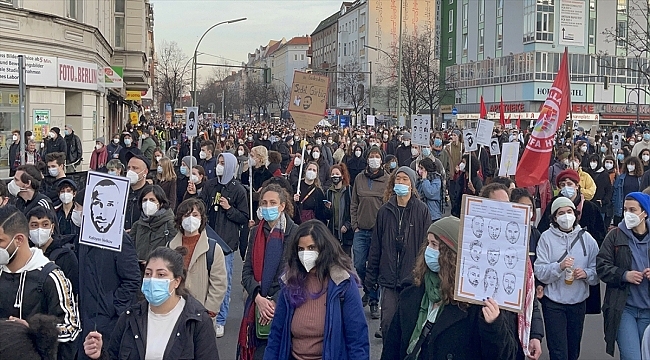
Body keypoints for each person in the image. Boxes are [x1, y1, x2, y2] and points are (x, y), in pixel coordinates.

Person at [381, 216, 519, 360]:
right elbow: (392, 348)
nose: (429, 250)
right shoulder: (412, 291)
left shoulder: (475, 304)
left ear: (451, 254)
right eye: (428, 243)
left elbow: (505, 355)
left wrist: (493, 326)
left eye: (435, 244)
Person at [82, 247, 220, 360]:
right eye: (148, 274)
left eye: (161, 275)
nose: (152, 279)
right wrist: (99, 355)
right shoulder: (130, 318)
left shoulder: (197, 321)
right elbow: (113, 356)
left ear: (176, 281)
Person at [263, 220, 369, 359]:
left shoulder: (343, 284)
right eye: (301, 249)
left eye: (311, 248)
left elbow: (357, 339)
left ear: (324, 248)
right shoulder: (290, 283)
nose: (305, 254)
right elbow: (276, 335)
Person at [0, 206, 80, 360]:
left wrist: (32, 331)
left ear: (19, 240)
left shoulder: (51, 277)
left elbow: (72, 328)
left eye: (0, 241)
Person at [72, 191, 142, 360]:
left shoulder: (118, 238)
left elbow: (132, 279)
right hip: (86, 317)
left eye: (77, 207)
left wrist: (113, 305)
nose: (75, 211)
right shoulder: (83, 237)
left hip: (108, 322)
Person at [367, 166, 432, 339]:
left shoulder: (422, 211)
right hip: (388, 278)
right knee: (387, 322)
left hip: (411, 279)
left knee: (408, 326)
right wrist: (371, 275)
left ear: (412, 184)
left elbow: (426, 245)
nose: (401, 182)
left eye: (405, 179)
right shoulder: (384, 211)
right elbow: (376, 246)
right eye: (398, 179)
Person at [535, 197, 600, 360]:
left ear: (575, 214)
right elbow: (540, 270)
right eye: (561, 213)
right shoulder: (546, 238)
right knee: (558, 352)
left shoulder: (587, 239)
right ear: (554, 218)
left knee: (573, 351)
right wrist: (559, 267)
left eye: (569, 212)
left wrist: (586, 274)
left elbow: (598, 270)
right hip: (553, 303)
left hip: (578, 303)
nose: (566, 216)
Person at [239, 184, 299, 359]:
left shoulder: (294, 233)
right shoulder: (256, 232)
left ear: (282, 205)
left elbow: (295, 274)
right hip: (257, 304)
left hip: (284, 303)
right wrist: (259, 298)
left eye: (273, 202)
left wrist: (272, 303)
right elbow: (247, 272)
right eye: (264, 203)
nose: (267, 206)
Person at [195, 152, 249, 337]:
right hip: (208, 238)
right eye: (218, 162)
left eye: (223, 163)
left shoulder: (238, 190)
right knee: (204, 280)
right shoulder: (210, 185)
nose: (219, 166)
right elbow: (200, 207)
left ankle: (220, 319)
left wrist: (229, 209)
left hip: (226, 242)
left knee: (222, 284)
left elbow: (243, 217)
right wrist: (194, 195)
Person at [597, 192, 650, 360]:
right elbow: (601, 265)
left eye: (633, 210)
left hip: (648, 310)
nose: (628, 214)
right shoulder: (615, 235)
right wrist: (623, 275)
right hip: (623, 308)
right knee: (632, 356)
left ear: (645, 213)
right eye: (626, 209)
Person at [168, 198, 227, 329]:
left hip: (201, 313)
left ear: (202, 219)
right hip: (173, 312)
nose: (190, 219)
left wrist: (209, 311)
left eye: (195, 215)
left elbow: (219, 283)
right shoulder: (170, 246)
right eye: (186, 215)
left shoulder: (212, 248)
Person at [350, 145, 389, 319]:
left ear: (381, 159)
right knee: (358, 264)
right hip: (361, 230)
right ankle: (367, 288)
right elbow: (353, 203)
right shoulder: (359, 178)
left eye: (377, 156)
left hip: (378, 232)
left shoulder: (388, 179)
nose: (374, 159)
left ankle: (373, 300)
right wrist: (354, 224)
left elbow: (389, 205)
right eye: (371, 156)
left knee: (375, 267)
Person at [26, 206, 79, 295]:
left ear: (52, 227)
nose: (40, 229)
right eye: (34, 225)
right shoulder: (25, 255)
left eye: (45, 225)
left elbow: (73, 289)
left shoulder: (65, 256)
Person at [130, 184, 178, 264]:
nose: (147, 203)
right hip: (140, 272)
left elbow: (175, 252)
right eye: (145, 200)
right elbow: (130, 250)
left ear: (161, 203)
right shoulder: (138, 225)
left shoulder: (171, 224)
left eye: (152, 200)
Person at [324, 164, 354, 256]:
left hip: (346, 233)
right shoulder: (329, 192)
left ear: (342, 175)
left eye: (337, 173)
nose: (334, 176)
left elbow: (353, 210)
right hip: (333, 232)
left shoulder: (349, 190)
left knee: (345, 260)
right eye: (332, 174)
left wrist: (347, 224)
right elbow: (327, 215)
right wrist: (327, 209)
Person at [124, 153, 151, 231]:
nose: (130, 171)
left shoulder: (151, 194)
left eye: (135, 168)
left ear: (145, 172)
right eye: (129, 168)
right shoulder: (121, 192)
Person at [614, 157, 644, 224]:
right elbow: (615, 192)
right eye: (628, 164)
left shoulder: (640, 179)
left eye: (632, 164)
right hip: (622, 206)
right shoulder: (621, 178)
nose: (630, 166)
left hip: (636, 206)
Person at [416, 157, 443, 222]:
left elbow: (430, 193)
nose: (419, 170)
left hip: (433, 214)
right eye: (419, 168)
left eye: (421, 168)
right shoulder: (420, 180)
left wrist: (425, 180)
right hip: (421, 213)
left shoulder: (436, 179)